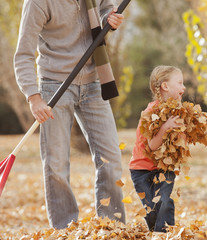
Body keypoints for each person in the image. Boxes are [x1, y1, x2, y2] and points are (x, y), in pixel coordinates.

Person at [13, 0, 126, 229]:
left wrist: (109, 20)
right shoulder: (38, 2)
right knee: (56, 165)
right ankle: (65, 229)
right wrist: (34, 97)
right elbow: (23, 53)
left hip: (94, 81)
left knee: (111, 159)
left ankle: (112, 227)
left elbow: (105, 9)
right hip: (54, 85)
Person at [129, 65, 186, 232]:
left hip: (163, 168)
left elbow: (179, 142)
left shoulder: (177, 111)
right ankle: (156, 231)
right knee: (151, 210)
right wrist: (165, 127)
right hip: (141, 170)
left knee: (165, 201)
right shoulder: (150, 112)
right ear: (165, 86)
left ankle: (164, 235)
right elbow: (153, 146)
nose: (184, 87)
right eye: (180, 82)